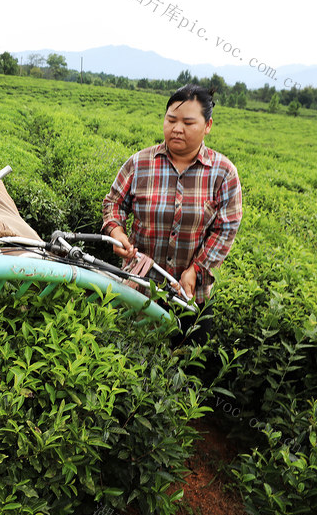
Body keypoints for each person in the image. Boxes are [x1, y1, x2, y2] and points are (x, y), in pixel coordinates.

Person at [102, 84, 242, 340]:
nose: (177, 128)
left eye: (188, 122)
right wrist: (116, 231)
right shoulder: (140, 163)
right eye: (171, 120)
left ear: (208, 125)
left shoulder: (223, 173)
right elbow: (113, 203)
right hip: (138, 290)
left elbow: (226, 228)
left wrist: (197, 270)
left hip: (190, 298)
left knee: (187, 367)